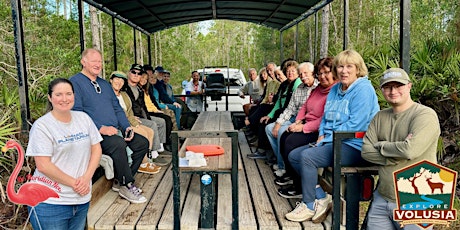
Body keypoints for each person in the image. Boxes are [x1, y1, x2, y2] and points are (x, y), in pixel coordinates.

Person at [285, 50, 379, 223]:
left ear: (358, 69)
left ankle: (309, 204)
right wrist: (322, 135)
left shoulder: (363, 90)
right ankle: (321, 196)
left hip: (357, 144)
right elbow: (325, 118)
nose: (344, 71)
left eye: (349, 66)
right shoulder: (336, 89)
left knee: (307, 157)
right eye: (340, 66)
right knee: (294, 156)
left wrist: (326, 139)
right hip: (334, 141)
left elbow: (356, 124)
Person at [361, 68, 440, 230]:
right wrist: (397, 154)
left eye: (399, 86)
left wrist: (381, 145)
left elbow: (410, 150)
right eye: (388, 87)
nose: (393, 91)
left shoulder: (425, 115)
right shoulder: (379, 117)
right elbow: (366, 151)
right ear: (382, 90)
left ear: (409, 86)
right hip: (382, 198)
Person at [70, 48, 148, 204]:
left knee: (142, 143)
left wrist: (126, 126)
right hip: (93, 134)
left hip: (115, 131)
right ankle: (127, 185)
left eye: (99, 61)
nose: (98, 64)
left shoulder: (104, 84)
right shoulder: (75, 82)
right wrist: (100, 128)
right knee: (118, 144)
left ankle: (121, 180)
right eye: (94, 61)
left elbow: (117, 108)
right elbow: (76, 113)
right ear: (83, 62)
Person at [26, 78, 102, 229]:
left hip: (81, 200)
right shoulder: (42, 126)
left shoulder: (84, 118)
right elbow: (43, 165)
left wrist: (86, 178)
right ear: (50, 97)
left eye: (68, 94)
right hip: (50, 203)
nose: (64, 99)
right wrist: (75, 184)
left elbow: (96, 148)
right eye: (59, 94)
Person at [277, 57, 337, 198]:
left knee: (291, 142)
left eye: (326, 73)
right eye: (319, 74)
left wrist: (304, 127)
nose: (322, 77)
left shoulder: (334, 91)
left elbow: (325, 118)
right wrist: (298, 121)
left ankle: (300, 187)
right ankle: (294, 179)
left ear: (333, 73)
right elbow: (304, 106)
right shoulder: (317, 89)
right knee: (285, 136)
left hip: (317, 130)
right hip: (306, 123)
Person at [265, 62, 318, 177]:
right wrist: (278, 122)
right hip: (296, 117)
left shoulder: (317, 88)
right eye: (301, 74)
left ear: (313, 73)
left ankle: (282, 166)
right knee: (269, 128)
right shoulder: (299, 88)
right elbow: (290, 108)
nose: (303, 76)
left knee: (282, 132)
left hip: (307, 122)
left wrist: (298, 122)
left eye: (305, 73)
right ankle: (282, 161)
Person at [248, 60, 302, 160]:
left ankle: (271, 154)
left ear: (298, 72)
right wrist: (270, 115)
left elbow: (292, 107)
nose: (290, 73)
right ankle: (266, 151)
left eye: (293, 71)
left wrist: (277, 118)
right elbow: (278, 102)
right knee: (264, 120)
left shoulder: (297, 83)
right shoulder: (285, 84)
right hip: (282, 112)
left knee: (268, 124)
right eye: (288, 71)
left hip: (291, 116)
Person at [109, 71, 161, 174]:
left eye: (122, 80)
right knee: (144, 133)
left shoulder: (123, 95)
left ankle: (147, 160)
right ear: (111, 80)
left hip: (129, 120)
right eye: (116, 79)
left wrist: (134, 121)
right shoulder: (108, 96)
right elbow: (116, 114)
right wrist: (131, 122)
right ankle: (143, 163)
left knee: (150, 131)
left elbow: (130, 111)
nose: (119, 82)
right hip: (120, 124)